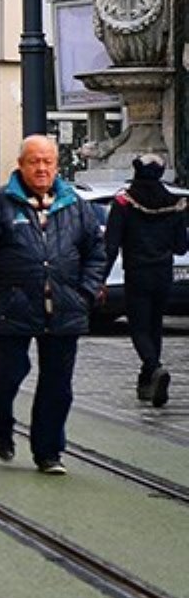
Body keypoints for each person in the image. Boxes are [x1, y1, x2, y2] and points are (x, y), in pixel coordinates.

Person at [0, 135, 107, 475]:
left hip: (65, 308)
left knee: (57, 385)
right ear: (21, 165)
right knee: (6, 376)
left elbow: (96, 253)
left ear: (57, 166)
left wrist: (84, 292)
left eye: (47, 162)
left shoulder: (75, 205)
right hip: (14, 305)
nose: (41, 168)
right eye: (34, 161)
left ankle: (48, 452)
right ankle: (2, 425)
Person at [104, 154, 188, 408]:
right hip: (163, 274)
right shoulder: (175, 204)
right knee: (155, 325)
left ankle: (154, 367)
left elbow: (111, 245)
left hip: (137, 272)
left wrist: (100, 277)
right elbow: (181, 247)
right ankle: (147, 380)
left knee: (139, 328)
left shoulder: (124, 202)